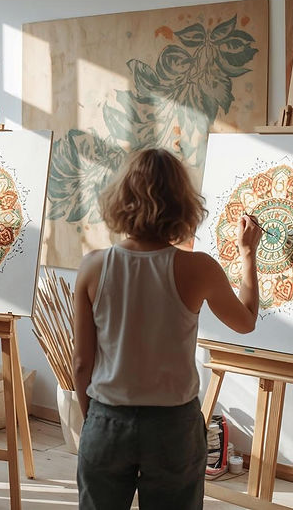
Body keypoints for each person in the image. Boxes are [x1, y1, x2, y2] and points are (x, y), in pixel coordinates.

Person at [72, 148, 262, 509]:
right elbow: (246, 322)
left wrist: (95, 420)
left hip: (108, 418)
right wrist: (247, 254)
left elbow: (82, 362)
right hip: (173, 426)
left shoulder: (93, 267)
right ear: (182, 205)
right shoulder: (199, 269)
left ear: (121, 198)